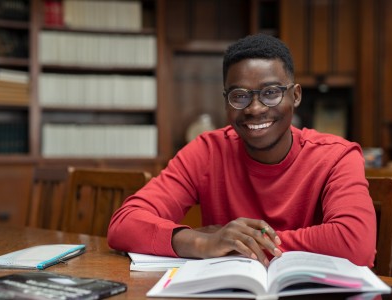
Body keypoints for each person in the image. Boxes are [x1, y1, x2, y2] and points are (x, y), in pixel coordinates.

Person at [107, 34, 376, 268]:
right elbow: (124, 224)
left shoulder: (337, 156)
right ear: (226, 101)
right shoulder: (207, 151)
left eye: (271, 92)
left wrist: (241, 244)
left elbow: (355, 244)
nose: (254, 108)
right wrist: (203, 242)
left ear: (295, 96)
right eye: (239, 96)